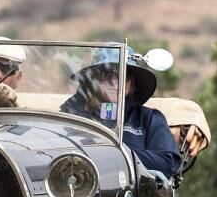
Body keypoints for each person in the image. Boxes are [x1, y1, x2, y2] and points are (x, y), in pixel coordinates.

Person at [61, 47, 181, 179]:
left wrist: (116, 154)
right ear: (93, 80)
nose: (114, 81)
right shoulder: (70, 117)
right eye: (107, 73)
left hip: (136, 191)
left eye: (124, 75)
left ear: (132, 84)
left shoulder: (149, 118)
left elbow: (168, 162)